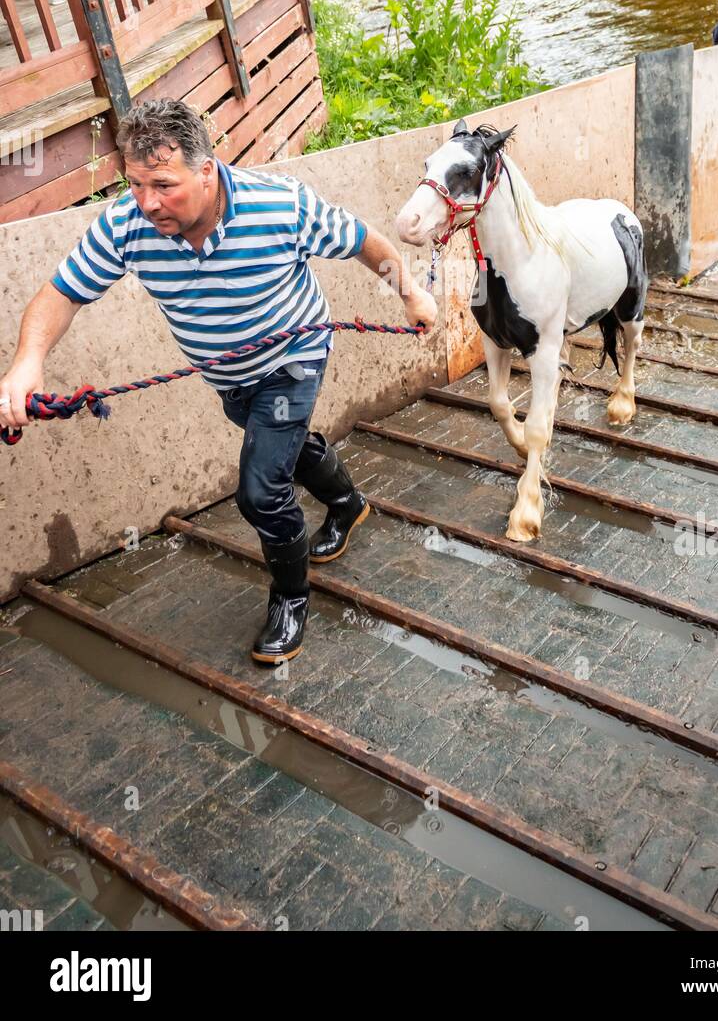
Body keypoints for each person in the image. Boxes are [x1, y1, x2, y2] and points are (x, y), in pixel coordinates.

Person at [0, 101, 436, 665]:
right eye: (135, 184)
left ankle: (290, 598)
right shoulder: (126, 225)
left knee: (260, 491)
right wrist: (26, 362)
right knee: (286, 449)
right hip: (228, 378)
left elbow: (361, 241)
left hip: (293, 358)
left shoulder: (280, 205)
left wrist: (410, 293)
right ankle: (348, 505)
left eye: (163, 184)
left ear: (207, 170)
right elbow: (62, 293)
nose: (147, 201)